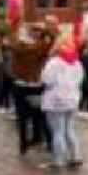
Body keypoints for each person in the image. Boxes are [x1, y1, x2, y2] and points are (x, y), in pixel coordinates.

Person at [11, 23, 56, 155]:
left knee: (22, 118)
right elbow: (54, 39)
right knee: (42, 115)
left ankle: (23, 145)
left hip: (20, 85)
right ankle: (47, 142)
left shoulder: (19, 46)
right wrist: (46, 29)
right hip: (36, 85)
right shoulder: (41, 46)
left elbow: (12, 41)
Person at [41, 38, 84, 171]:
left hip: (56, 100)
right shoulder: (77, 63)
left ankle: (58, 160)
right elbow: (80, 80)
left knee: (57, 131)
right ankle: (76, 156)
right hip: (72, 99)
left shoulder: (54, 63)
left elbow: (46, 80)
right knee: (69, 129)